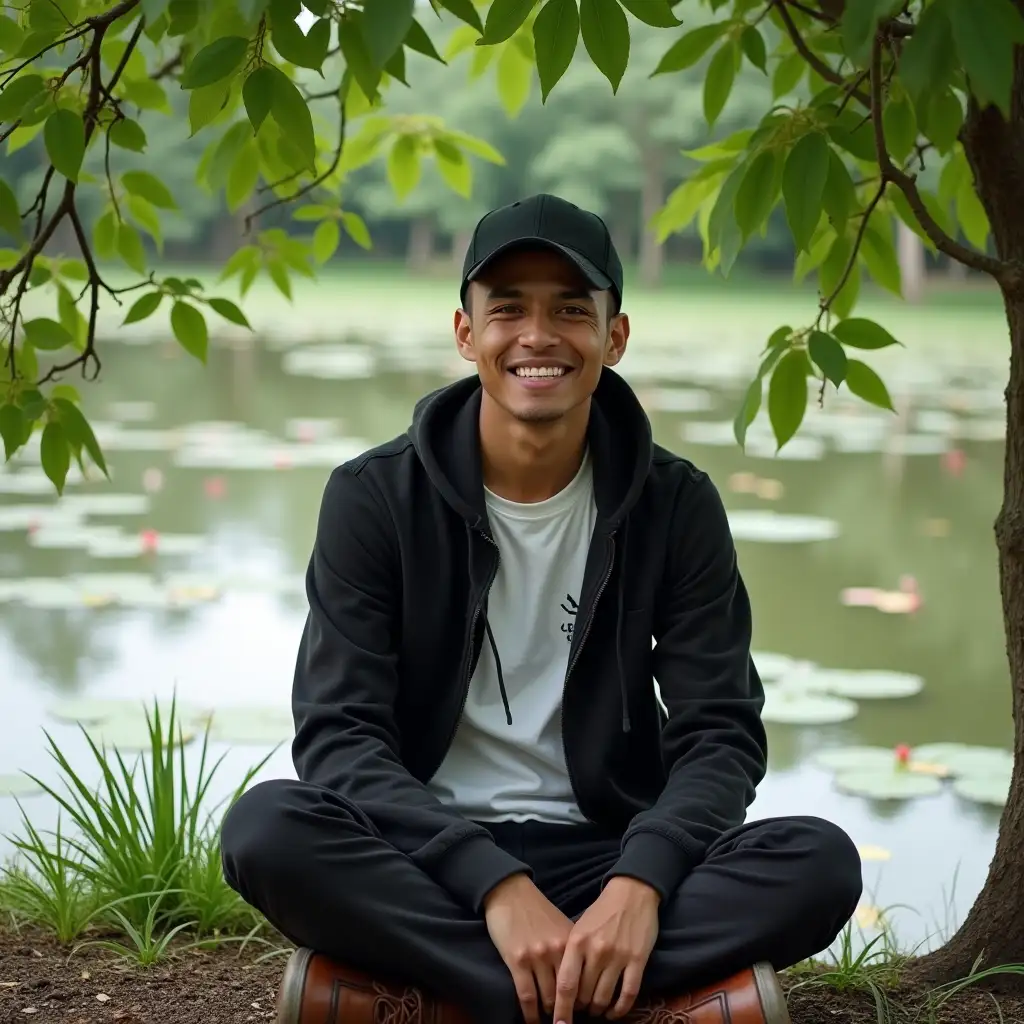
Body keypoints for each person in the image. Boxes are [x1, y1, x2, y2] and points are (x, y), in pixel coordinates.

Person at [220, 193, 863, 1024]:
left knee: (819, 861)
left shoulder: (678, 505)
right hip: (429, 857)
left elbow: (720, 733)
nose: (537, 336)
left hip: (608, 852)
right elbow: (339, 737)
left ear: (613, 336)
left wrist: (639, 885)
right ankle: (623, 1003)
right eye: (508, 309)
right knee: (267, 831)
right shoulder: (374, 497)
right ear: (466, 334)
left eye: (570, 309)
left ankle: (444, 999)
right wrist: (494, 884)